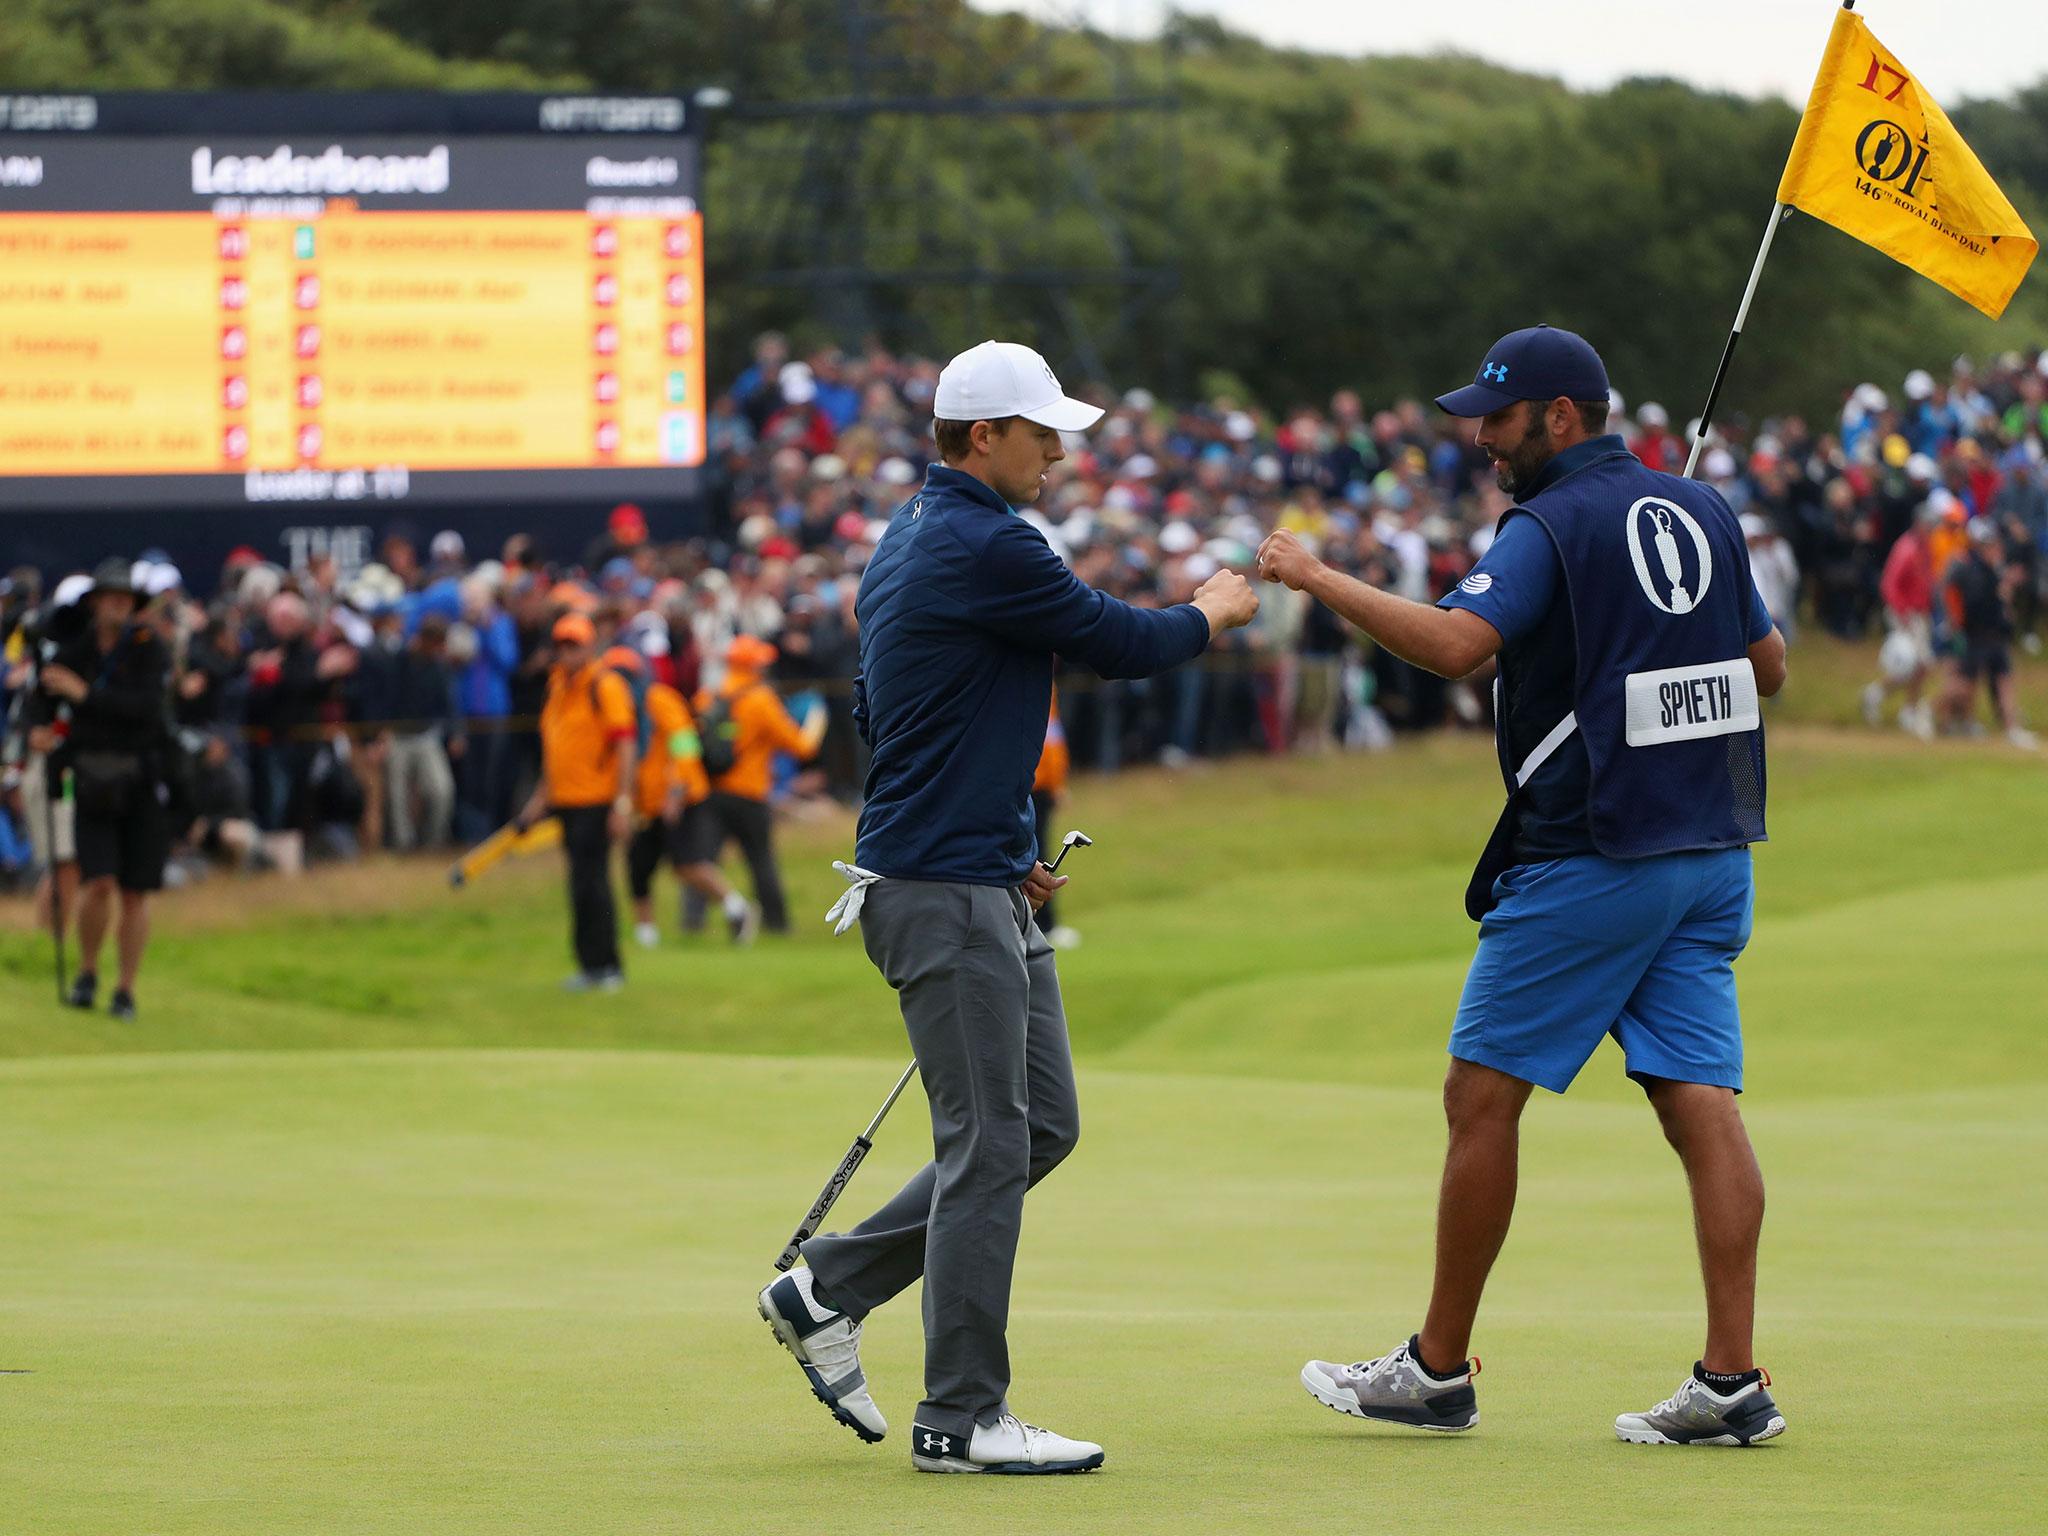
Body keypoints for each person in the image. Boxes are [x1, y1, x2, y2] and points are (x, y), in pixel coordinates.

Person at [1258, 325, 1791, 1447]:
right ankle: (1731, 1383)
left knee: (1479, 1098)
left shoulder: (1545, 522)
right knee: (1698, 1101)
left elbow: (1459, 647)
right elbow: (1768, 665)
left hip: (1592, 854)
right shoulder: (1697, 508)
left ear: (1559, 416)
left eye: (1497, 419)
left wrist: (1315, 576)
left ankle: (1436, 1370)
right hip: (1707, 854)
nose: (1480, 439)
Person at [757, 339, 1259, 1476]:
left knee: (1037, 1125)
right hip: (942, 894)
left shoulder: (912, 535)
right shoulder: (986, 541)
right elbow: (1116, 642)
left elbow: (896, 714)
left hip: (968, 875)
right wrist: (1212, 610)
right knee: (986, 1144)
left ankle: (825, 1287)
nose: (1057, 452)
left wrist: (998, 848)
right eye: (1041, 434)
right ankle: (961, 1416)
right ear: (981, 436)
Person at [30, 559, 176, 1020]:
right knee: (99, 883)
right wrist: (38, 729)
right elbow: (43, 698)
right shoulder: (75, 651)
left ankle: (125, 989)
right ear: (95, 603)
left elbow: (145, 711)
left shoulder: (149, 650)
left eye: (126, 599)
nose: (119, 606)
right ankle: (88, 972)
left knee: (136, 891)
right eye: (111, 598)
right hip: (92, 781)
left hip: (140, 779)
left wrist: (85, 696)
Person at [608, 645, 761, 947]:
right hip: (645, 804)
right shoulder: (616, 708)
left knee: (689, 864)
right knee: (638, 867)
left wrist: (676, 792)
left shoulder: (659, 701)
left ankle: (737, 908)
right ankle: (646, 935)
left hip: (680, 798)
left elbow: (685, 746)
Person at [515, 613, 637, 991]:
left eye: (575, 644)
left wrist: (622, 803)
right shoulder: (556, 689)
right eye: (562, 644)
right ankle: (589, 965)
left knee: (594, 884)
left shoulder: (604, 685)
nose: (568, 652)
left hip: (596, 801)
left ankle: (607, 966)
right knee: (579, 885)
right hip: (566, 800)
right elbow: (557, 752)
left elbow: (626, 745)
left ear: (590, 646)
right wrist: (539, 799)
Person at [693, 635, 824, 935]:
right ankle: (776, 925)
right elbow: (800, 746)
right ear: (753, 665)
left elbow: (689, 740)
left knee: (703, 861)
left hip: (711, 791)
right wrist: (816, 723)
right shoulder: (761, 700)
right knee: (761, 861)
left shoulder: (708, 696)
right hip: (750, 794)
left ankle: (693, 923)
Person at [1940, 518, 2037, 749]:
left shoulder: (1994, 569)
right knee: (1964, 687)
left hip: (1995, 636)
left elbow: (2001, 602)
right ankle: (1935, 712)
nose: (1994, 548)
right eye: (1989, 544)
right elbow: (1972, 604)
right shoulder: (1968, 568)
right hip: (1976, 635)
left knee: (2005, 681)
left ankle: (2012, 728)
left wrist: (2005, 593)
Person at [1864, 504, 1940, 741]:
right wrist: (1902, 615)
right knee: (1916, 664)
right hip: (1906, 614)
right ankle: (1885, 700)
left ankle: (1901, 706)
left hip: (1919, 613)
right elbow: (1889, 585)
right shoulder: (1906, 548)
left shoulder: (1924, 547)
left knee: (1920, 665)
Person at [1029, 692, 1079, 948]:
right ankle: (1041, 925)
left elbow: (1053, 736)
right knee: (1036, 855)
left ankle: (1042, 923)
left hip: (1042, 782)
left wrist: (1057, 781)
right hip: (1030, 782)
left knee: (1039, 852)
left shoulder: (1048, 682)